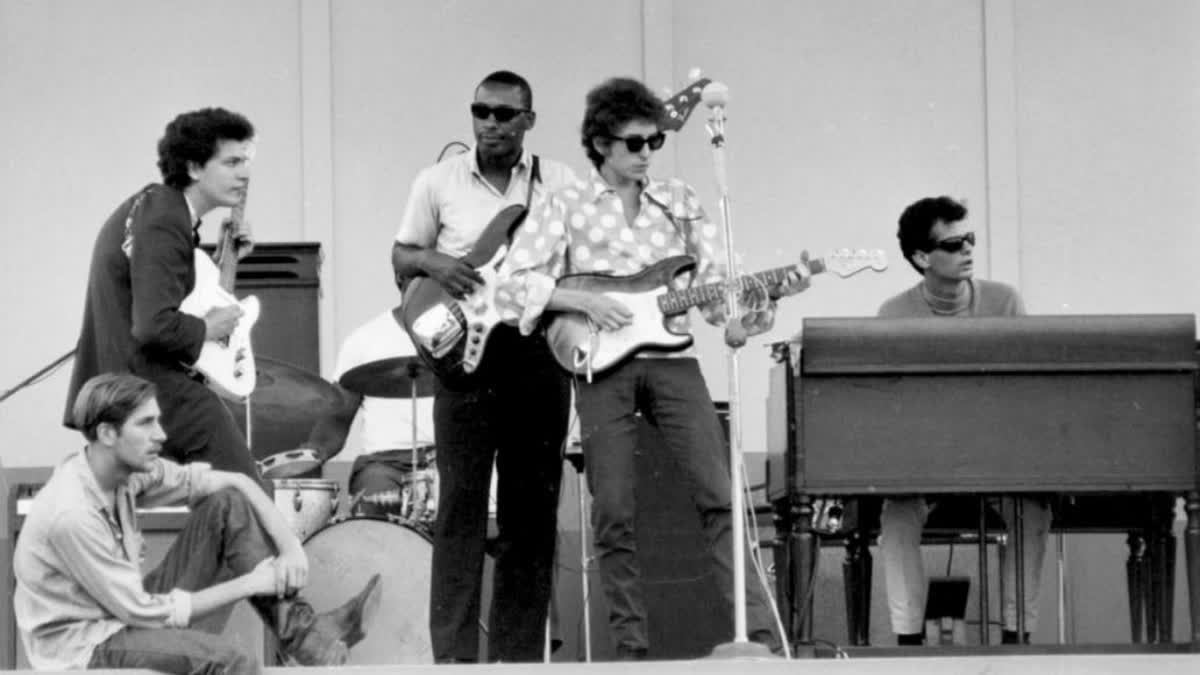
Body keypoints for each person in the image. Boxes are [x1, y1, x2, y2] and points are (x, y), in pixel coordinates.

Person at [496, 77, 807, 659]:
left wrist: (768, 295)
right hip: (602, 366)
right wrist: (581, 300)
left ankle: (762, 640)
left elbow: (719, 299)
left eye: (654, 142)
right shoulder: (564, 205)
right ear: (601, 143)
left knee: (719, 494)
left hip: (675, 360)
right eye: (634, 142)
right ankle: (631, 654)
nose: (645, 153)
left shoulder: (681, 202)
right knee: (614, 510)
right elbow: (512, 286)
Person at [391, 70, 578, 663]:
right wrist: (439, 265)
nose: (491, 123)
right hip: (462, 357)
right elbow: (402, 256)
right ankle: (453, 658)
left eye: (505, 113)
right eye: (481, 111)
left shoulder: (562, 183)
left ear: (528, 120)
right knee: (460, 509)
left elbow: (580, 265)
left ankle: (518, 657)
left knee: (532, 511)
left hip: (535, 350)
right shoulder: (438, 181)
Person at [13, 373, 381, 673]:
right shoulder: (72, 514)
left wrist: (289, 547)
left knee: (227, 505)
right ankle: (313, 642)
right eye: (146, 423)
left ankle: (308, 640)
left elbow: (233, 484)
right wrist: (252, 582)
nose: (161, 434)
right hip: (85, 648)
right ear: (108, 434)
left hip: (122, 614)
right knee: (234, 662)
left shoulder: (124, 472)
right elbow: (148, 610)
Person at [877, 195, 1052, 645]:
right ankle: (908, 643)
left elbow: (1024, 391)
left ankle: (1018, 637)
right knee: (896, 517)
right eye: (955, 244)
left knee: (1032, 511)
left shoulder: (1005, 300)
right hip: (921, 464)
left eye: (969, 240)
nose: (968, 250)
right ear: (921, 257)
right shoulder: (891, 314)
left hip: (997, 460)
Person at [64, 108, 260, 481]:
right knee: (247, 497)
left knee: (215, 502)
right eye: (232, 162)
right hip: (146, 386)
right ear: (194, 167)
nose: (244, 173)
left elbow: (170, 304)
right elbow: (154, 326)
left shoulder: (157, 210)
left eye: (245, 162)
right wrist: (206, 328)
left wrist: (225, 263)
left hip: (120, 387)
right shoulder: (166, 216)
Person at [331, 305, 437, 517]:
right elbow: (336, 421)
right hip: (384, 464)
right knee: (375, 495)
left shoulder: (465, 334)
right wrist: (309, 454)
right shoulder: (364, 339)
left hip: (443, 458)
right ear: (401, 278)